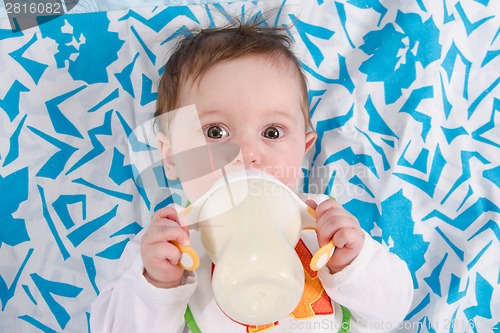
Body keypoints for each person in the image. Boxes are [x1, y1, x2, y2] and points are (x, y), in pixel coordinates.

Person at [90, 19, 413, 333]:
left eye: (272, 132)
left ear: (304, 148)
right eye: (215, 131)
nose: (246, 154)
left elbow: (392, 312)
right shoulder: (167, 244)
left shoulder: (325, 226)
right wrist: (157, 284)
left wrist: (352, 264)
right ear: (172, 155)